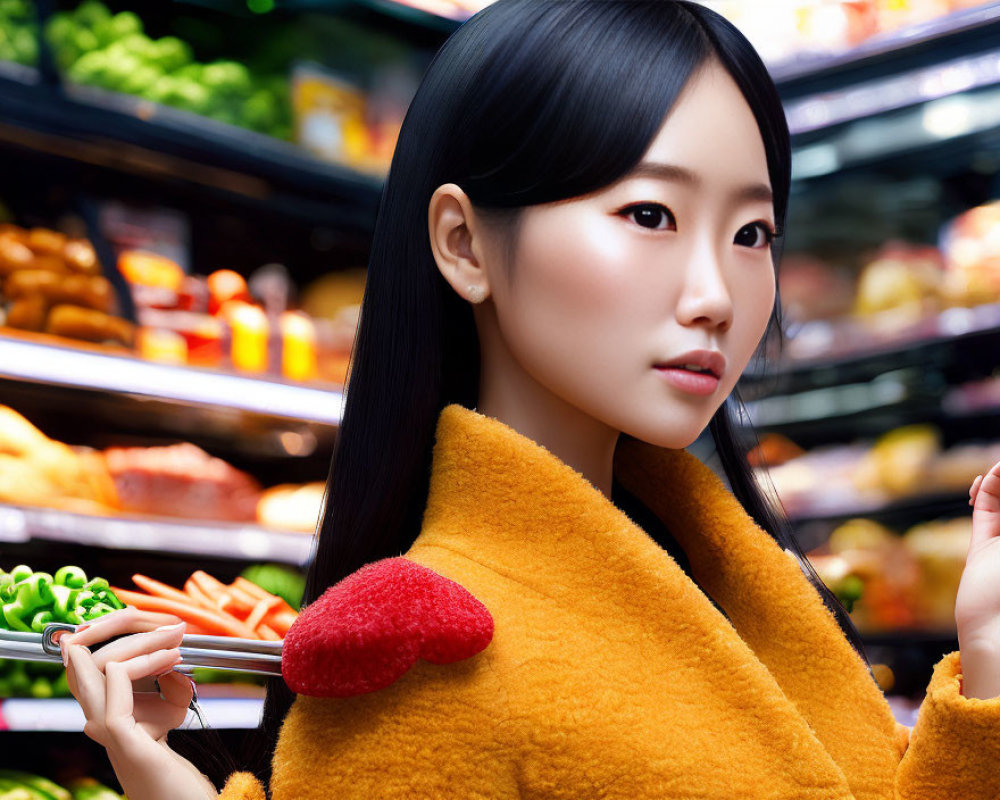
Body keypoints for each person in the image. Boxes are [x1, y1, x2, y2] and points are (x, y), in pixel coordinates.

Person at [61, 1, 1000, 797]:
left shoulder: (742, 585)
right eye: (649, 215)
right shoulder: (422, 642)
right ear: (465, 245)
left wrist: (988, 655)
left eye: (752, 231)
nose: (717, 294)